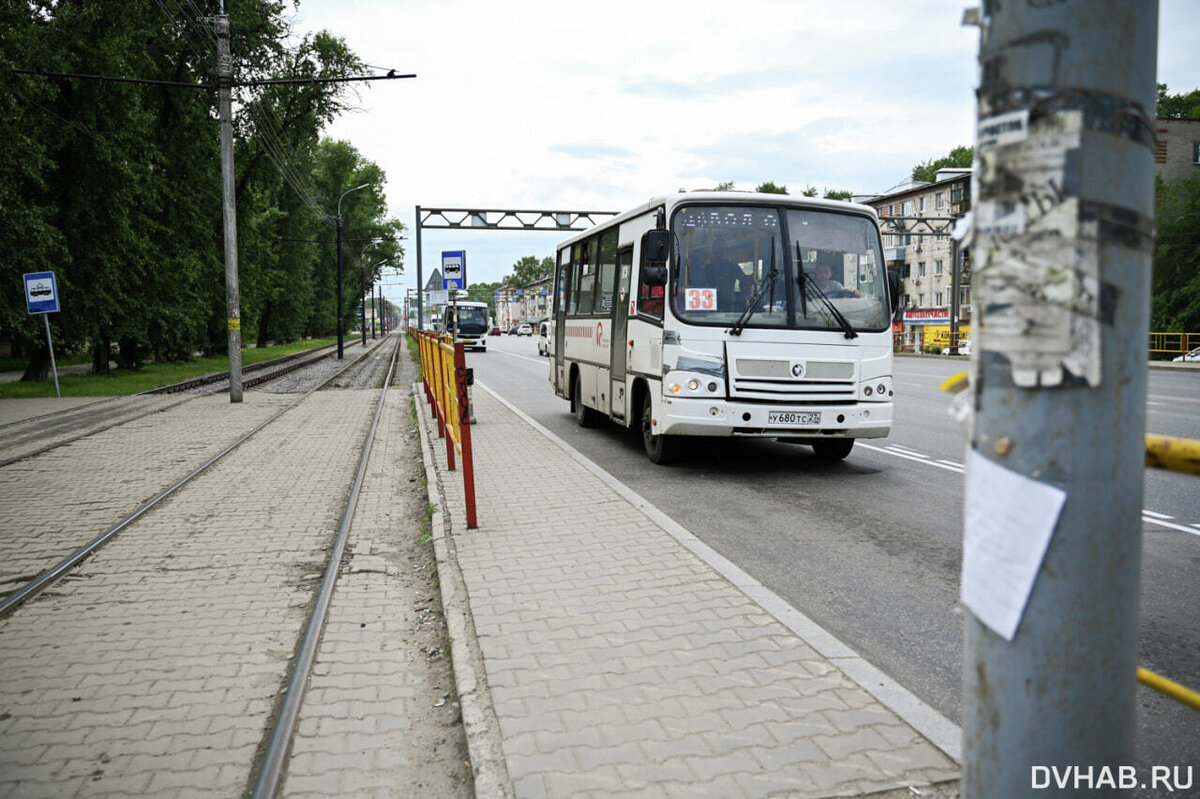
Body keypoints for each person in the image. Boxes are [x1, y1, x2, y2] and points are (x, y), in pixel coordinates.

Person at [693, 237, 746, 311]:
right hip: (710, 304)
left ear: (726, 250)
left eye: (722, 248)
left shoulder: (734, 267)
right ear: (713, 251)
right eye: (717, 249)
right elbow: (700, 286)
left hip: (729, 304)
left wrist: (749, 283)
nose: (720, 252)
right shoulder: (708, 268)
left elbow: (744, 281)